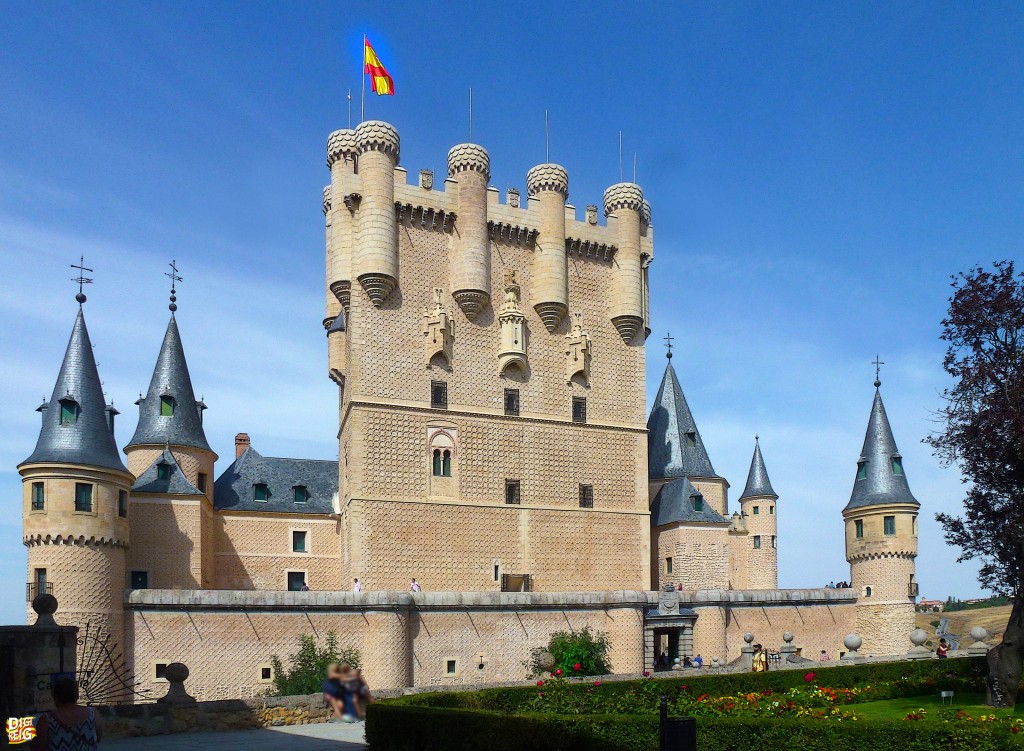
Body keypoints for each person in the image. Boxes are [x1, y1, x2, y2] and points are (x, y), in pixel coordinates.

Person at [31, 675, 103, 750]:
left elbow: (39, 748)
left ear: (56, 697)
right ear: (76, 695)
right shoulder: (93, 713)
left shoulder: (46, 720)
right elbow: (98, 739)